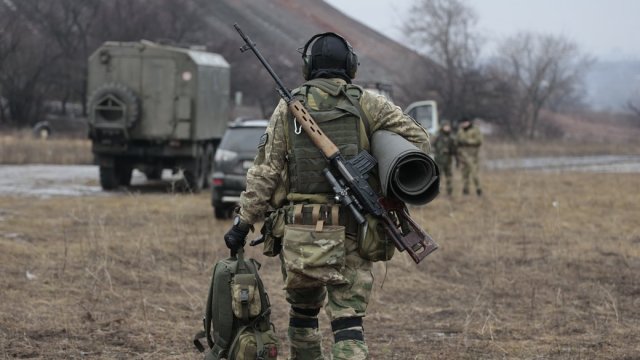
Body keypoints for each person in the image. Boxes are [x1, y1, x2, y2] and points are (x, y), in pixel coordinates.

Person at [223, 32, 431, 359]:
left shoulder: (287, 107)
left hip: (299, 231)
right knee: (348, 322)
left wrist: (242, 222)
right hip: (353, 229)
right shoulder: (368, 102)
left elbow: (265, 171)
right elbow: (419, 141)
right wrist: (377, 149)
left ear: (307, 66)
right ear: (351, 66)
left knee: (303, 317)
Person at [456, 117, 483, 196]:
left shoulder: (475, 130)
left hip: (472, 155)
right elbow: (457, 142)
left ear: (469, 122)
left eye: (465, 122)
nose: (464, 124)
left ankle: (478, 189)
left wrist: (468, 141)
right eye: (463, 123)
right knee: (464, 174)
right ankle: (465, 190)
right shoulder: (460, 131)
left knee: (474, 174)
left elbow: (479, 140)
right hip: (463, 156)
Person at [432, 121, 457, 196]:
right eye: (445, 126)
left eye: (448, 126)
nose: (447, 128)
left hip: (448, 160)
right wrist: (438, 151)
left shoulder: (452, 137)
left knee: (449, 176)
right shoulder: (437, 136)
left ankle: (449, 192)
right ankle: (436, 192)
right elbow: (432, 146)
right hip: (439, 160)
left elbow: (455, 149)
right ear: (442, 127)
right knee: (438, 177)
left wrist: (449, 151)